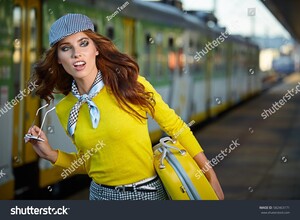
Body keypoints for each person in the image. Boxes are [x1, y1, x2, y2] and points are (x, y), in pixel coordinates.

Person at [27, 13, 224, 200]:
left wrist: (209, 174)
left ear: (96, 49)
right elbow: (92, 163)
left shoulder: (131, 85)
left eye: (83, 43)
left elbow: (176, 127)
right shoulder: (66, 109)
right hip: (99, 197)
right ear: (59, 60)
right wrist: (52, 155)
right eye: (65, 48)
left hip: (147, 194)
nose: (76, 54)